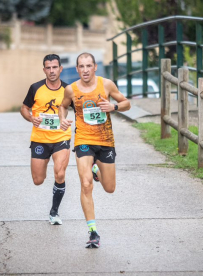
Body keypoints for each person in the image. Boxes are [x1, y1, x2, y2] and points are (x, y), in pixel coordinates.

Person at [58, 52, 131, 248]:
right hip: (83, 139)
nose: (85, 70)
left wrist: (113, 107)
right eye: (81, 66)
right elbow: (62, 106)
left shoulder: (106, 84)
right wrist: (62, 119)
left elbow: (127, 104)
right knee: (86, 183)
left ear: (95, 67)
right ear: (77, 69)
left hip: (105, 140)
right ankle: (93, 231)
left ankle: (95, 169)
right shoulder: (71, 89)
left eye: (88, 66)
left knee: (109, 188)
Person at [20, 54, 74, 225]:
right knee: (38, 180)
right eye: (48, 68)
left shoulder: (69, 90)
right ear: (44, 69)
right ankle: (53, 198)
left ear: (60, 69)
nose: (51, 71)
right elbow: (24, 108)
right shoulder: (35, 88)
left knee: (60, 173)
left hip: (61, 137)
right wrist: (31, 118)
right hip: (40, 139)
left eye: (55, 67)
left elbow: (79, 110)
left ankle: (54, 212)